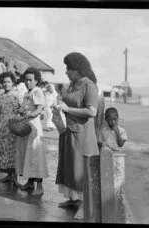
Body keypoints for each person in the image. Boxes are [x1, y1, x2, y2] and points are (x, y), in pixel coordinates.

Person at [54, 52, 99, 219]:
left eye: (68, 69)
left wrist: (67, 109)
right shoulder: (73, 84)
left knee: (79, 169)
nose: (66, 72)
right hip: (68, 131)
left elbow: (92, 111)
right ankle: (73, 199)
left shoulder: (89, 86)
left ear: (77, 68)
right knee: (69, 167)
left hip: (82, 135)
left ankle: (84, 204)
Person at [16, 67, 49, 196]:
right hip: (25, 126)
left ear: (36, 81)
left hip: (33, 128)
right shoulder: (27, 93)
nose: (28, 82)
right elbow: (27, 108)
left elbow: (39, 110)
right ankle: (29, 182)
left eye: (31, 80)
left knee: (35, 156)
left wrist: (26, 116)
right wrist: (21, 112)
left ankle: (40, 187)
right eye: (26, 80)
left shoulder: (37, 91)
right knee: (27, 155)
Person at [0, 71, 21, 186]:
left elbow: (21, 111)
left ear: (13, 83)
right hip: (2, 125)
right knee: (4, 151)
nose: (6, 84)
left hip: (12, 125)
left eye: (9, 82)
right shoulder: (0, 96)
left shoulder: (16, 95)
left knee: (13, 151)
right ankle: (8, 175)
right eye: (4, 82)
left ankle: (15, 177)